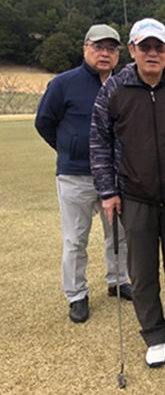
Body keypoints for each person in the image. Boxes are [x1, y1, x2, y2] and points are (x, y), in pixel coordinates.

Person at [90, 18, 165, 367]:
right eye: (145, 47)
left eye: (159, 47)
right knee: (141, 273)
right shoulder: (114, 89)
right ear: (133, 49)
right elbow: (99, 142)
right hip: (134, 195)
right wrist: (108, 191)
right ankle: (153, 334)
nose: (152, 53)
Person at [35, 24, 131, 324]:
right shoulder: (63, 83)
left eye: (111, 48)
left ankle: (118, 280)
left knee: (118, 234)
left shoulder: (124, 85)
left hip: (114, 176)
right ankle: (76, 294)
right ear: (85, 48)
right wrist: (70, 149)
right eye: (98, 47)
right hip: (75, 176)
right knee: (75, 239)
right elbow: (44, 122)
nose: (105, 53)